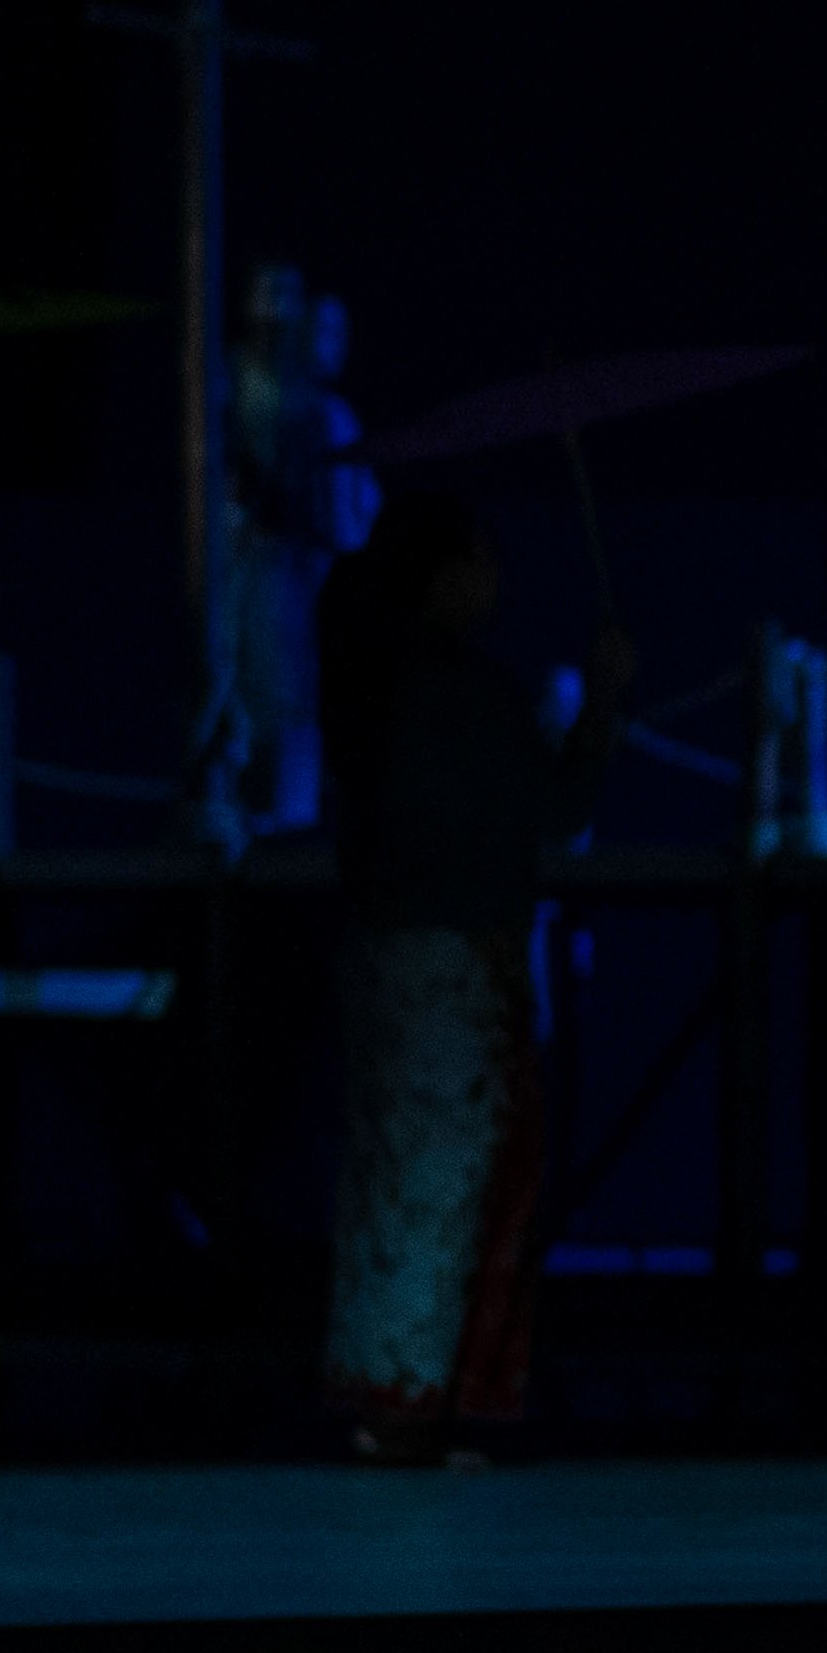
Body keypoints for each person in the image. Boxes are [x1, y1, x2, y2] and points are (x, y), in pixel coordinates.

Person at [314, 489, 623, 1465]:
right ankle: (414, 1396)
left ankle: (391, 1391)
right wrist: (603, 703)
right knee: (442, 1181)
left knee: (397, 1179)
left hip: (393, 956)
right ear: (444, 576)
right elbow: (554, 804)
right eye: (481, 559)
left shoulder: (374, 686)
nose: (495, 578)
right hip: (454, 968)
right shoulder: (461, 694)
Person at [223, 265, 379, 827]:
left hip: (310, 571)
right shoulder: (236, 382)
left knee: (299, 703)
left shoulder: (326, 412)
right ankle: (266, 816)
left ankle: (291, 818)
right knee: (264, 697)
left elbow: (354, 509)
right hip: (262, 566)